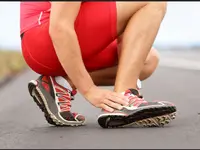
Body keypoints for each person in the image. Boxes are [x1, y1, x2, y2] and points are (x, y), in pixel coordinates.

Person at [20, 1, 176, 128]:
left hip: (52, 45)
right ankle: (123, 100)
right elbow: (60, 27)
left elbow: (122, 21)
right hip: (44, 40)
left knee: (147, 60)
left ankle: (61, 84)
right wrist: (89, 90)